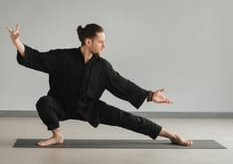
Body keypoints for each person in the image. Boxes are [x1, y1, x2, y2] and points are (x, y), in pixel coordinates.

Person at [6, 23, 192, 147]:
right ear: (88, 42)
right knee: (43, 102)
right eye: (100, 42)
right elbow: (36, 58)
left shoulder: (103, 67)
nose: (104, 45)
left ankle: (172, 135)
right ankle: (57, 135)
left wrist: (150, 96)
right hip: (60, 105)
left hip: (89, 108)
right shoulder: (62, 57)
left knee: (129, 119)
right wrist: (17, 42)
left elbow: (124, 86)